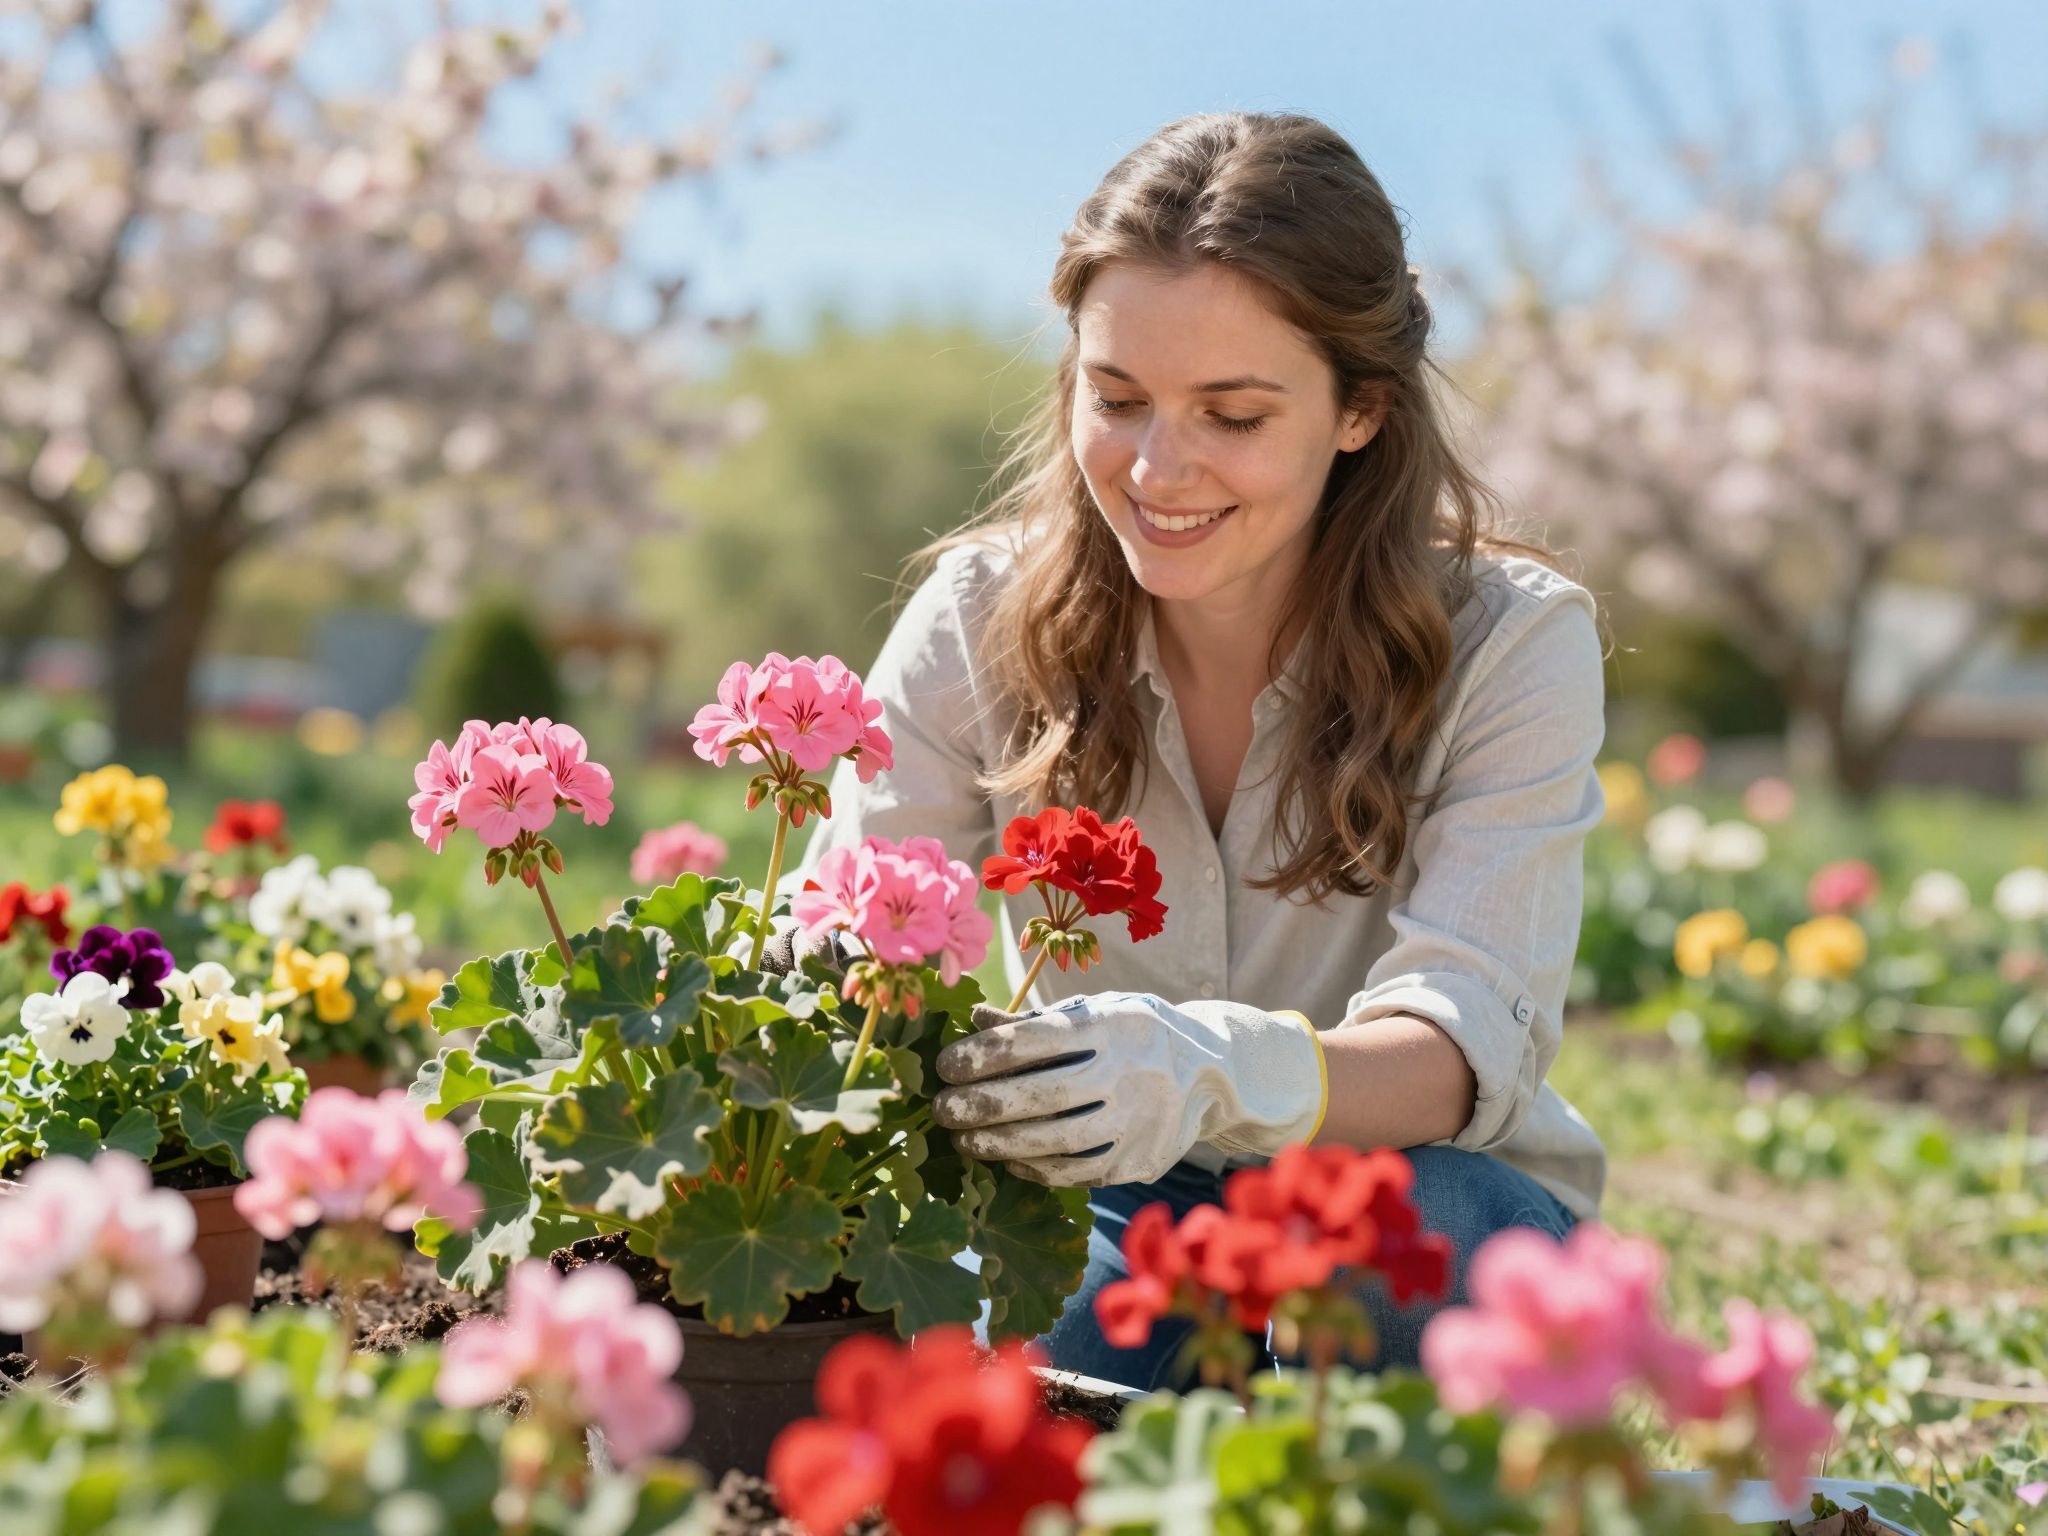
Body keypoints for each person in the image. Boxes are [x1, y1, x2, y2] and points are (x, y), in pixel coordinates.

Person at [760, 110, 1608, 1389]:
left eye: (1232, 414)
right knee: (1000, 1363)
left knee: (1392, 1254)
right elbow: (846, 941)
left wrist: (1214, 1069)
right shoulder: (977, 620)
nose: (1158, 468)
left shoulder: (1511, 641)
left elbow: (1454, 1048)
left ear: (1359, 409)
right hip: (1102, 1213)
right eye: (1117, 399)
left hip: (1420, 1204)